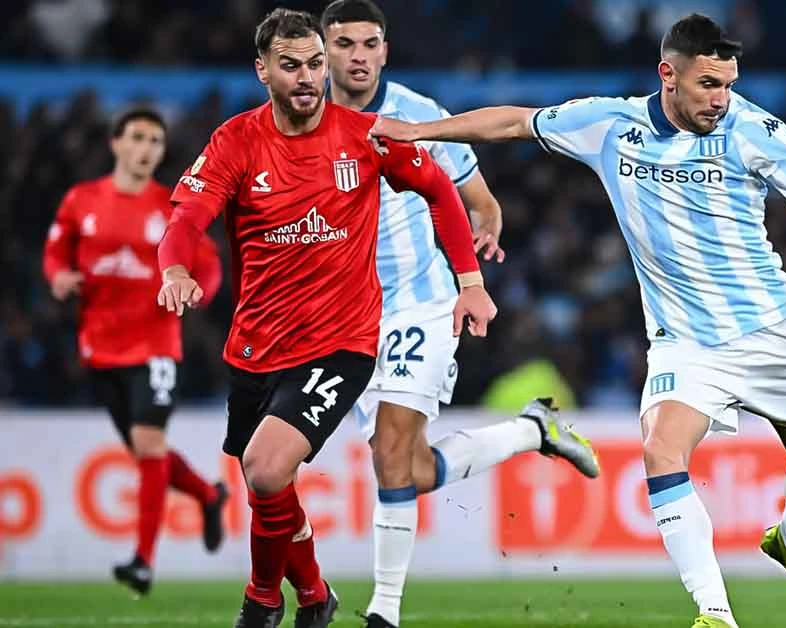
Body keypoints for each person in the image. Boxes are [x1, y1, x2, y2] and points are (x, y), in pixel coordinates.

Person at [370, 13, 786, 628]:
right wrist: (418, 131)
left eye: (728, 84)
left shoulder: (754, 130)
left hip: (772, 330)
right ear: (668, 75)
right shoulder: (611, 124)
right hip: (684, 343)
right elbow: (515, 121)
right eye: (708, 83)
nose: (721, 99)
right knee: (660, 449)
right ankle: (715, 613)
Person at [155, 9, 495, 628]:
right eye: (291, 65)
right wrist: (175, 270)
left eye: (315, 63)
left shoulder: (365, 136)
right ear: (263, 70)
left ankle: (262, 603)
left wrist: (469, 283)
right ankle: (314, 595)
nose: (308, 77)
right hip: (256, 344)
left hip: (341, 343)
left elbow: (441, 192)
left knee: (264, 468)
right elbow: (184, 221)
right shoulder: (236, 141)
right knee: (268, 487)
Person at [320, 2, 600, 626]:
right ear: (324, 51)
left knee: (392, 451)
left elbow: (478, 198)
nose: (359, 56)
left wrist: (486, 227)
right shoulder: (306, 119)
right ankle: (534, 431)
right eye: (345, 44)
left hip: (422, 305)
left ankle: (383, 612)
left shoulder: (419, 114)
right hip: (344, 318)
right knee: (410, 468)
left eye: (370, 43)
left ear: (385, 51)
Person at [42, 107, 227, 596]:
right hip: (100, 346)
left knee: (148, 444)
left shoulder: (171, 207)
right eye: (139, 138)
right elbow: (56, 250)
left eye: (156, 141)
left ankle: (142, 561)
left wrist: (195, 290)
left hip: (155, 344)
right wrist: (58, 277)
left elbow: (207, 264)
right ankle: (209, 495)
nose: (147, 149)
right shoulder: (81, 200)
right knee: (150, 453)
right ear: (116, 143)